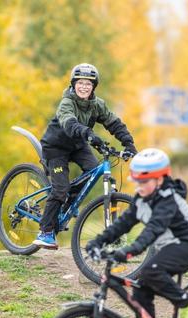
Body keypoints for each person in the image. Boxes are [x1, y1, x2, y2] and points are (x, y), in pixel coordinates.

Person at [85, 148, 188, 318]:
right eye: (137, 182)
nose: (139, 187)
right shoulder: (142, 199)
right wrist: (98, 241)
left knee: (151, 270)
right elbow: (122, 224)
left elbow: (152, 230)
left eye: (145, 182)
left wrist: (130, 250)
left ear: (160, 179)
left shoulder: (168, 199)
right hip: (168, 247)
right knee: (141, 287)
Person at [33, 63, 138, 249]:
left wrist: (129, 143)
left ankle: (67, 201)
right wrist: (88, 133)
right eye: (80, 82)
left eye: (88, 84)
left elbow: (114, 124)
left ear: (93, 87)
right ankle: (45, 232)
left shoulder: (97, 105)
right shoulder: (67, 102)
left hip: (78, 145)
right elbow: (69, 123)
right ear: (74, 84)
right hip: (56, 147)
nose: (84, 87)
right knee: (60, 189)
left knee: (93, 171)